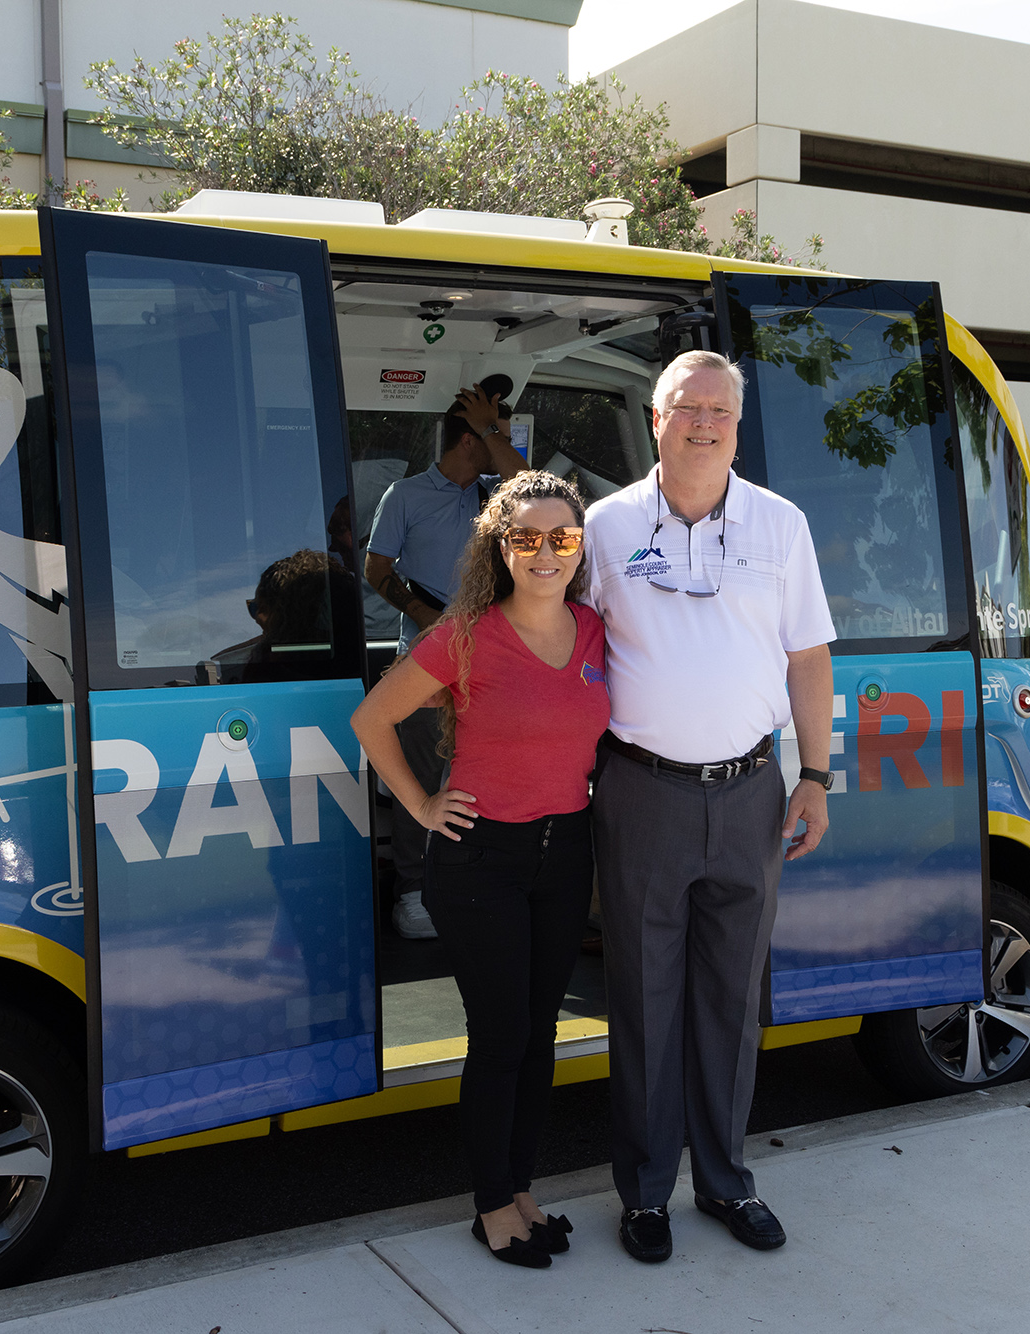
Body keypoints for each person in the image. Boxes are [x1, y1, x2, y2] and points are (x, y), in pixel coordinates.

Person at [582, 349, 836, 1263]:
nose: (703, 423)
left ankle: (726, 1183)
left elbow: (808, 656)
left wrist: (816, 775)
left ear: (738, 422)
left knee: (732, 1000)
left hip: (751, 793)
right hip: (639, 792)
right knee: (643, 999)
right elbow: (563, 644)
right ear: (654, 418)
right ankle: (646, 1196)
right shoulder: (602, 528)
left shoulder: (782, 525)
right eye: (686, 408)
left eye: (719, 411)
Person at [352, 471, 610, 1269]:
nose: (545, 553)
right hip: (480, 862)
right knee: (500, 1037)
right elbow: (371, 718)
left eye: (561, 538)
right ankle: (492, 1205)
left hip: (565, 853)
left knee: (539, 1037)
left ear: (578, 547)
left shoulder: (595, 629)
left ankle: (521, 1188)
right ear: (499, 546)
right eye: (525, 537)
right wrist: (424, 807)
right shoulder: (465, 635)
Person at [364, 379, 527, 938]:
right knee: (425, 777)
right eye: (491, 434)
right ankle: (413, 890)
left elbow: (527, 486)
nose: (502, 441)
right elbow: (376, 568)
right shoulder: (405, 495)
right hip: (427, 662)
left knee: (489, 778)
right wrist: (418, 610)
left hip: (497, 665)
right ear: (466, 441)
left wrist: (494, 432)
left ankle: (479, 882)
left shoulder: (498, 495)